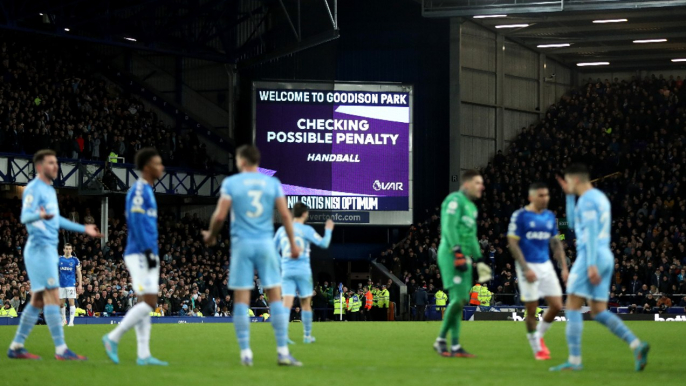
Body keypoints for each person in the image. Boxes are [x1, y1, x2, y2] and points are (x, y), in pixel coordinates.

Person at [202, 145, 301, 367]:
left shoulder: (232, 183)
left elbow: (219, 215)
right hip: (265, 243)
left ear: (242, 161)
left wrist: (211, 235)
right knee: (275, 295)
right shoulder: (272, 183)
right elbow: (285, 215)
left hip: (242, 245)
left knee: (241, 298)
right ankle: (283, 351)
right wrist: (293, 243)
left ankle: (246, 352)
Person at [551, 164, 649, 372]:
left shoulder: (587, 200)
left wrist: (591, 263)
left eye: (569, 183)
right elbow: (572, 224)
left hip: (591, 255)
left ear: (575, 180)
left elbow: (592, 228)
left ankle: (575, 361)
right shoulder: (600, 199)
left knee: (573, 305)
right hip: (605, 255)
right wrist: (568, 197)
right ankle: (636, 345)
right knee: (597, 311)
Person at [8, 149, 100, 361]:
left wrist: (83, 229)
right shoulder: (33, 188)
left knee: (40, 299)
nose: (55, 166)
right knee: (50, 297)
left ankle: (17, 345)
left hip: (48, 249)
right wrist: (39, 214)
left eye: (56, 163)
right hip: (39, 249)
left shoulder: (49, 191)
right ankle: (61, 350)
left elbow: (57, 219)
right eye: (51, 163)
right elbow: (25, 215)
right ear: (40, 167)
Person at [102, 148, 168, 366]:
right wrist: (148, 251)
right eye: (158, 163)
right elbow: (136, 222)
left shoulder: (147, 190)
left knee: (145, 302)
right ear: (148, 167)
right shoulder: (139, 190)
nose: (162, 168)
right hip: (140, 252)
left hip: (146, 251)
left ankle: (143, 355)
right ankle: (113, 338)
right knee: (150, 302)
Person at [433, 170, 492, 358]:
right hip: (451, 254)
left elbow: (472, 237)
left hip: (464, 256)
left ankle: (456, 346)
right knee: (458, 299)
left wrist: (480, 259)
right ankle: (441, 340)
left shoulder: (472, 208)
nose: (481, 186)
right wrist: (458, 251)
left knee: (461, 301)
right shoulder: (454, 200)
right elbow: (448, 227)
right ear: (466, 184)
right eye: (477, 183)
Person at [507, 182, 569, 360]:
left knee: (557, 305)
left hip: (546, 265)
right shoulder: (520, 216)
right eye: (541, 195)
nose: (545, 198)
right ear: (531, 197)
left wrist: (564, 268)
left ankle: (538, 336)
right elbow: (512, 243)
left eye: (547, 195)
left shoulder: (549, 216)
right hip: (527, 265)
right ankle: (537, 347)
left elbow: (556, 243)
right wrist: (525, 268)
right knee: (532, 309)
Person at [275, 202, 333, 343]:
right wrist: (329, 230)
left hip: (287, 271)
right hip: (303, 272)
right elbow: (324, 244)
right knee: (306, 304)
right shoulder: (307, 230)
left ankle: (283, 336)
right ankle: (307, 336)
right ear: (305, 214)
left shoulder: (282, 230)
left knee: (286, 303)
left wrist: (282, 263)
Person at [58, 244, 82, 327]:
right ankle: (63, 320)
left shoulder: (75, 260)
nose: (68, 250)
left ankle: (71, 321)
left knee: (71, 302)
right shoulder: (59, 259)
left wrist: (80, 285)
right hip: (61, 284)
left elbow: (79, 272)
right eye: (66, 249)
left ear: (71, 250)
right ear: (64, 250)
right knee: (61, 304)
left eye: (69, 249)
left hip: (71, 284)